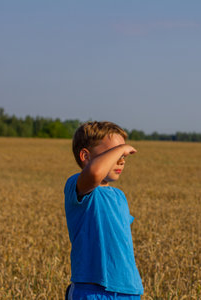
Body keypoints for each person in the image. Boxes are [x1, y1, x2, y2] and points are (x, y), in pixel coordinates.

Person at [64, 121, 144, 299]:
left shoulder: (119, 196)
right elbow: (94, 173)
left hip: (128, 289)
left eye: (124, 155)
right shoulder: (78, 186)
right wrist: (121, 149)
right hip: (92, 289)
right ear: (86, 156)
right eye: (114, 153)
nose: (121, 160)